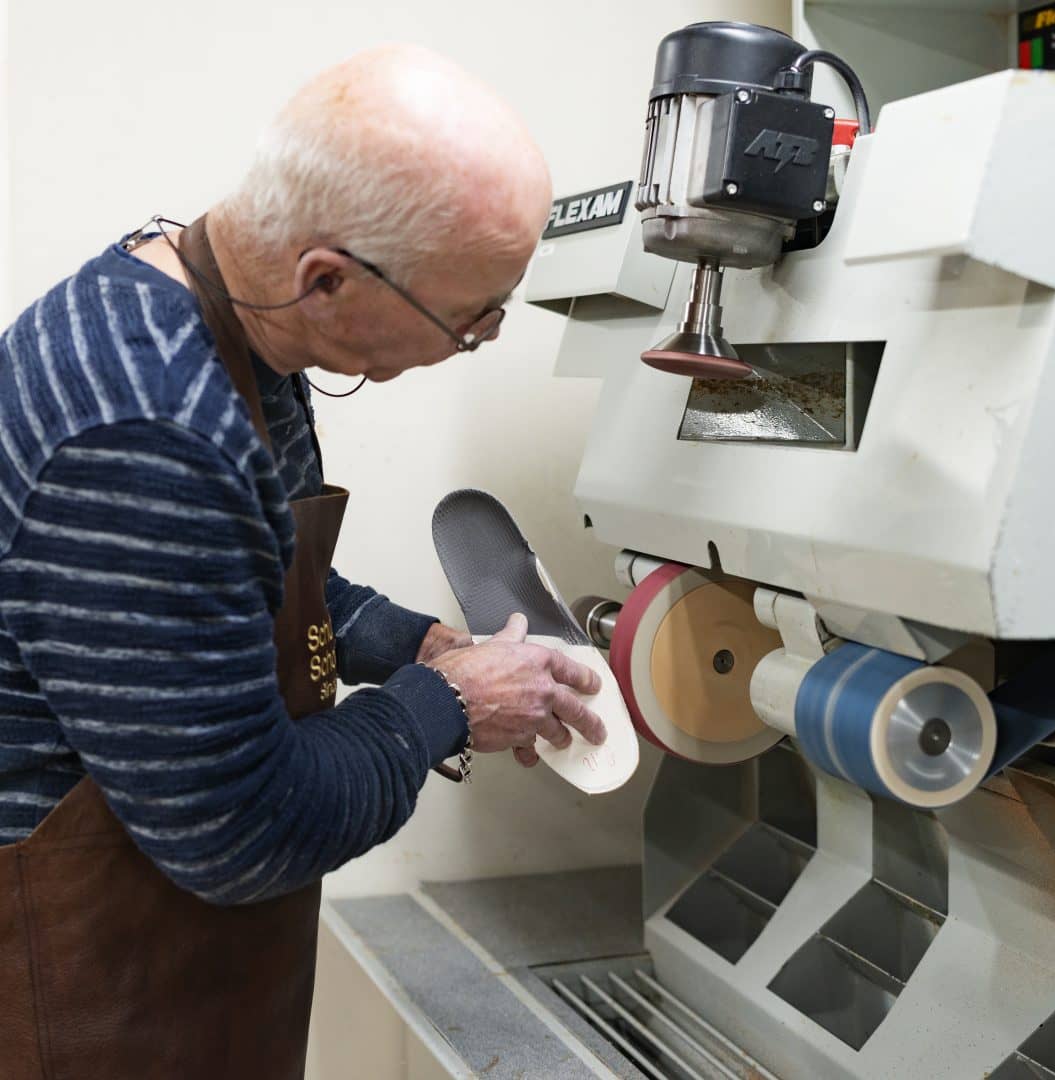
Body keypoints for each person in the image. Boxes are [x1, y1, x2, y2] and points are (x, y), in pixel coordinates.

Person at [0, 43, 605, 1079]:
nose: (484, 337)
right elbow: (241, 835)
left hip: (178, 966)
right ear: (324, 280)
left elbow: (257, 578)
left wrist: (413, 644)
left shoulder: (218, 304)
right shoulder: (148, 432)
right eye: (468, 319)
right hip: (89, 997)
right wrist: (445, 704)